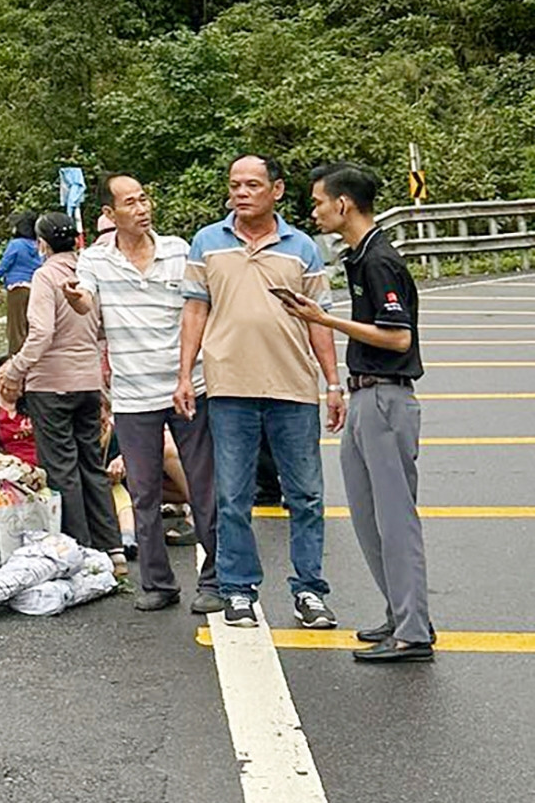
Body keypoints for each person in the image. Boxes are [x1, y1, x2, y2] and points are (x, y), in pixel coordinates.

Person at [177, 154, 342, 630]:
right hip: (229, 387)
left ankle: (309, 590)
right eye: (234, 185)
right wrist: (185, 374)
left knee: (306, 495)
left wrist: (333, 383)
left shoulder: (302, 247)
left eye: (252, 184)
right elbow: (194, 313)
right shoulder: (208, 242)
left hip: (293, 387)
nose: (241, 193)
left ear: (278, 190)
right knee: (233, 495)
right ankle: (238, 589)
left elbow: (320, 321)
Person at [281, 165, 432, 662]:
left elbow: (398, 336)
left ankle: (413, 632)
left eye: (320, 202)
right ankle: (399, 612)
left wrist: (324, 319)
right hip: (365, 394)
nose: (315, 211)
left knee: (395, 518)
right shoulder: (359, 256)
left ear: (343, 205)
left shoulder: (380, 261)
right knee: (369, 516)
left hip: (387, 396)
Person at [65, 174, 223, 613]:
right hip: (134, 396)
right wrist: (75, 299)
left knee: (203, 486)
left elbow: (198, 306)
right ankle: (158, 582)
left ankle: (215, 579)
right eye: (130, 203)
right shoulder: (95, 260)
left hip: (186, 386)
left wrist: (188, 374)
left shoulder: (177, 249)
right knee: (143, 491)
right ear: (110, 214)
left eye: (144, 199)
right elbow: (86, 302)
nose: (141, 208)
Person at [0, 214, 117, 552]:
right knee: (92, 464)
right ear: (78, 240)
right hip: (88, 381)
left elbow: (41, 333)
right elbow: (103, 326)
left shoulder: (45, 276)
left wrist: (16, 369)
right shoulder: (88, 273)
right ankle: (112, 548)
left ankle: (79, 548)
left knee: (62, 468)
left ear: (42, 244)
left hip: (51, 384)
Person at [0, 212, 42, 355]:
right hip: (35, 288)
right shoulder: (38, 245)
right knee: (31, 326)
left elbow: (3, 266)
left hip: (16, 289)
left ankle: (15, 360)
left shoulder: (15, 245)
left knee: (16, 329)